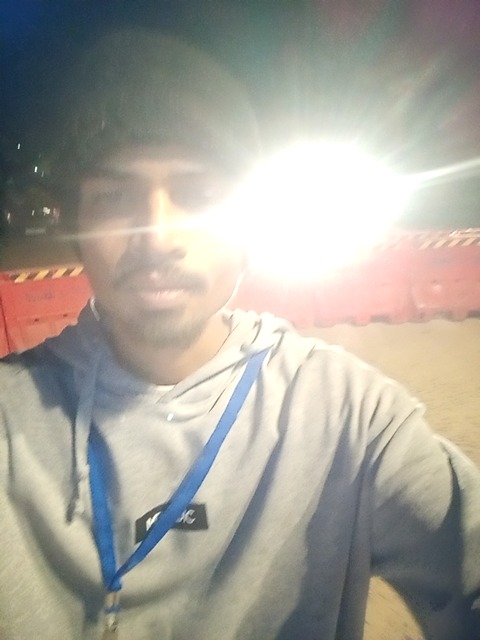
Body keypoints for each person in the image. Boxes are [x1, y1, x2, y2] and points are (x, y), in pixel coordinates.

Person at [1, 29, 479, 640]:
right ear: (77, 227)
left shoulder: (345, 413)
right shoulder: (11, 418)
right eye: (116, 197)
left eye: (199, 194)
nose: (158, 236)